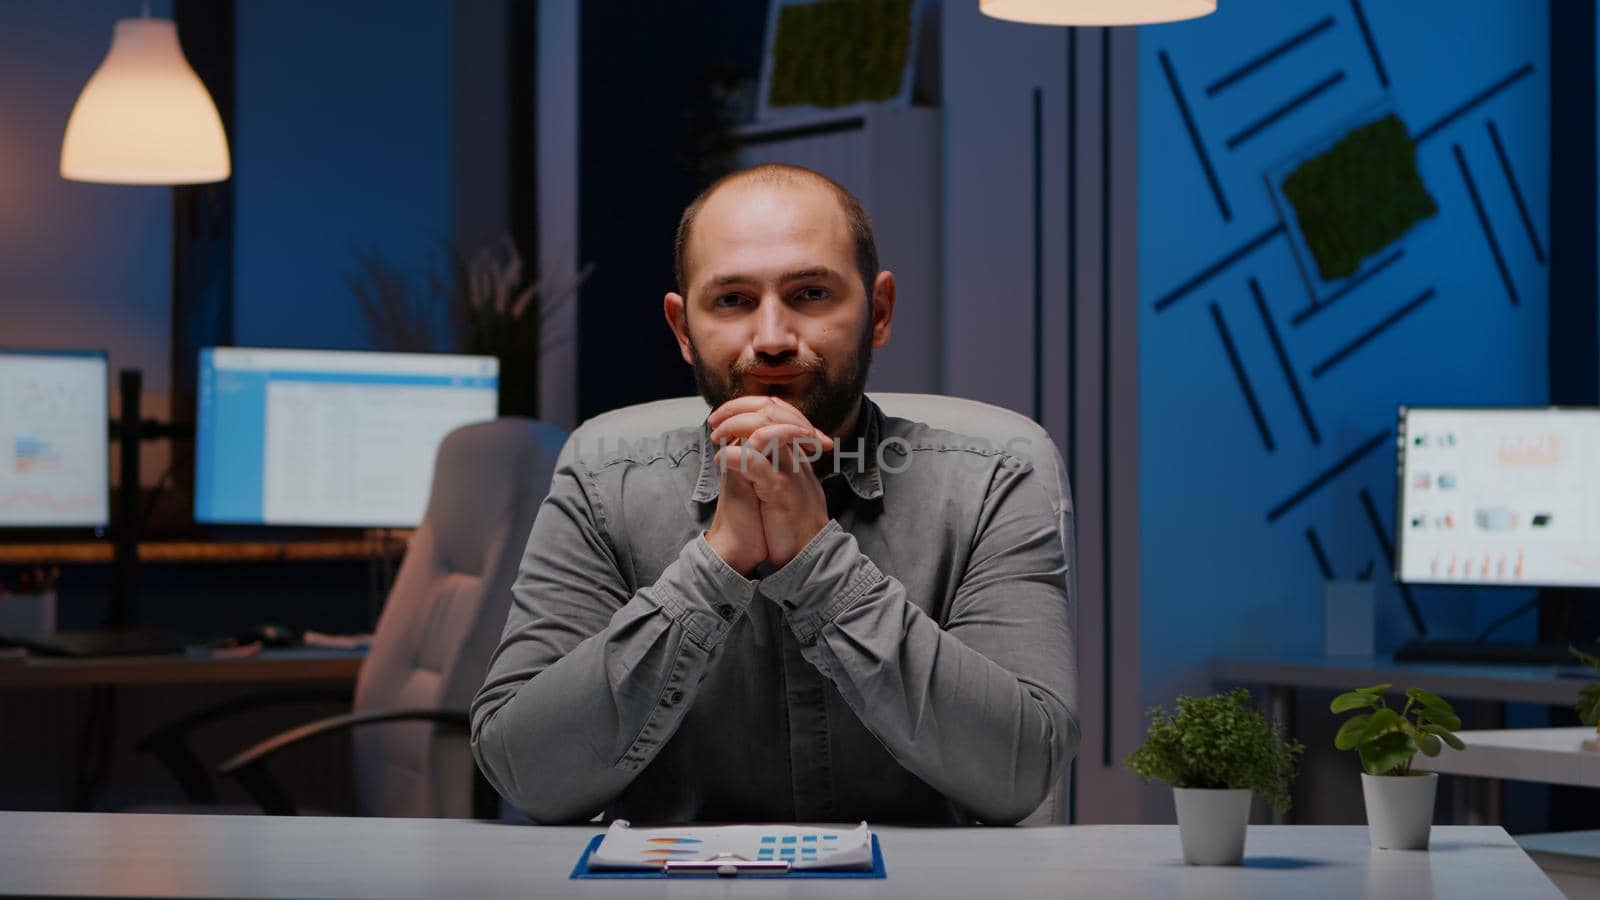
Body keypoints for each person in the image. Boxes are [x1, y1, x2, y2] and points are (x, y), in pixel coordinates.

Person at [470, 163, 1078, 825]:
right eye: (731, 300)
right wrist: (715, 565)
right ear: (682, 328)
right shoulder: (602, 483)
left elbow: (1020, 773)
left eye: (811, 293)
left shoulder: (991, 481)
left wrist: (818, 561)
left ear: (878, 312)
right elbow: (524, 773)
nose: (771, 339)